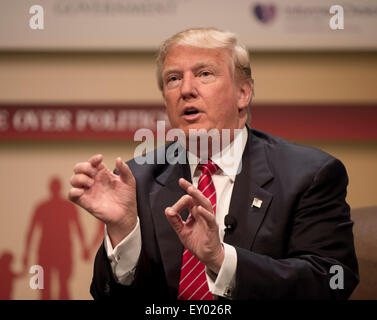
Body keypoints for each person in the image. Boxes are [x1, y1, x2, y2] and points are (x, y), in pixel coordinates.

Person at [69, 28, 359, 300]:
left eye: (204, 73)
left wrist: (222, 260)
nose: (186, 89)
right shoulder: (138, 179)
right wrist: (123, 233)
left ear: (243, 94)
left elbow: (332, 280)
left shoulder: (309, 175)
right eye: (173, 79)